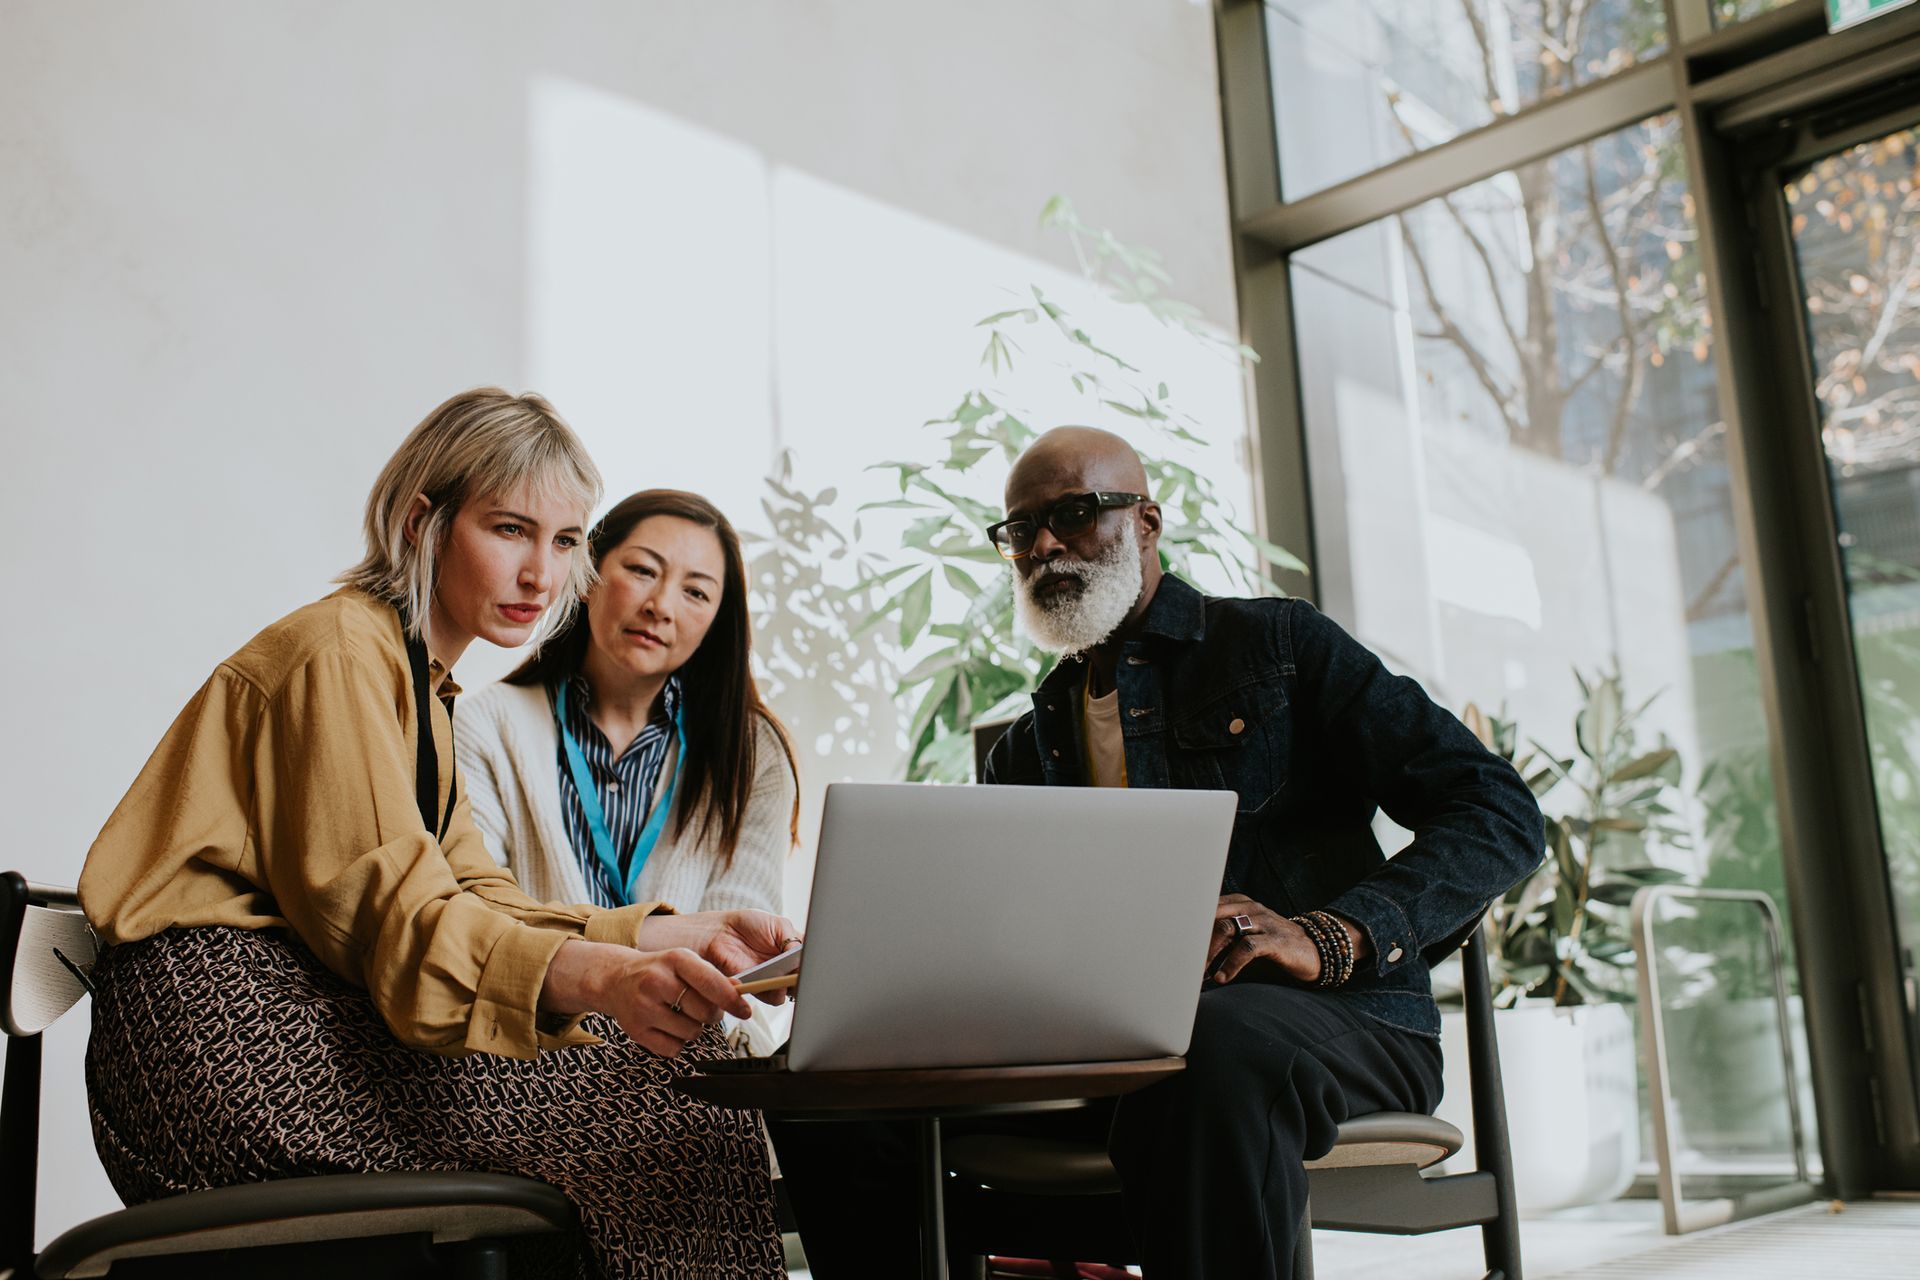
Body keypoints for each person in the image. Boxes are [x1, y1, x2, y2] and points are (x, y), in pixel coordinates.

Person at [771, 426, 1543, 1280]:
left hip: (1337, 1028)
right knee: (826, 1088)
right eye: (1021, 530)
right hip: (1112, 1058)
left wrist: (1330, 935)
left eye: (1074, 512)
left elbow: (1499, 812)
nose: (1046, 545)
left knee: (1210, 1050)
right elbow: (1009, 941)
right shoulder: (1025, 749)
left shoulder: (1279, 647)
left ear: (1147, 521)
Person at [77, 388, 793, 1280]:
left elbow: (477, 898)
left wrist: (675, 934)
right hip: (217, 1046)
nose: (542, 574)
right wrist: (610, 978)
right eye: (509, 531)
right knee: (667, 1101)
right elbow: (405, 924)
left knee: (669, 1079)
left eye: (566, 542)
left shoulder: (420, 683)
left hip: (294, 1016)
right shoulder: (340, 653)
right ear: (423, 523)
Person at [455, 489, 800, 1054]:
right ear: (587, 573)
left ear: (717, 619)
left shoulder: (752, 752)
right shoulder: (484, 726)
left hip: (693, 1059)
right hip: (529, 1054)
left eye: (695, 592)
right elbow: (481, 920)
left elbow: (744, 971)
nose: (661, 605)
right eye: (642, 570)